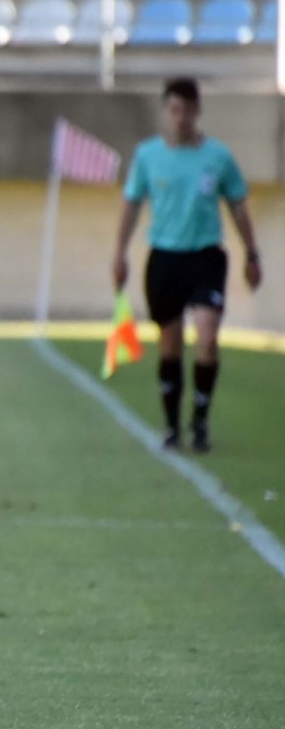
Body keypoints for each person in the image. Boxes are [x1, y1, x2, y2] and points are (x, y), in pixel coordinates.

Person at [112, 77, 262, 452]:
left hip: (206, 256)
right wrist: (119, 252)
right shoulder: (148, 156)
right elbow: (131, 204)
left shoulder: (218, 157)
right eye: (173, 110)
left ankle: (200, 419)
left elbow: (238, 205)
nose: (180, 118)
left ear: (197, 111)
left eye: (186, 110)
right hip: (164, 257)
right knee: (171, 344)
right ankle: (172, 425)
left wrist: (251, 253)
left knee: (208, 338)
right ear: (166, 111)